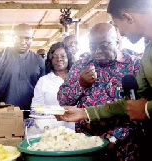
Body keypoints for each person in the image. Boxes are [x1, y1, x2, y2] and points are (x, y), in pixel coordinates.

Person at [57, 0, 152, 161]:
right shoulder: (148, 54)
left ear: (128, 17)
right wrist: (84, 112)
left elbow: (142, 107)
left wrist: (148, 108)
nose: (121, 33)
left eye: (117, 25)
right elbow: (132, 103)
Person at [57, 23, 143, 161]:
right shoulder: (81, 64)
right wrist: (81, 85)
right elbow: (63, 99)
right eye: (92, 46)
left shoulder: (134, 65)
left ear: (117, 40)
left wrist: (114, 138)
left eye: (104, 45)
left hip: (123, 146)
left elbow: (141, 107)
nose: (97, 51)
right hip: (86, 145)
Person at [0, 23, 45, 118]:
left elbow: (44, 89)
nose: (22, 42)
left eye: (27, 38)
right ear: (12, 38)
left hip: (32, 115)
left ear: (32, 39)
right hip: (4, 114)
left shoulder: (39, 61)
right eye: (18, 38)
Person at [30, 42, 74, 129]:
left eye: (63, 56)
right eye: (55, 57)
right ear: (50, 60)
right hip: (51, 129)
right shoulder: (44, 81)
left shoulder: (77, 79)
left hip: (75, 129)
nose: (59, 59)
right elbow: (35, 108)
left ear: (68, 58)